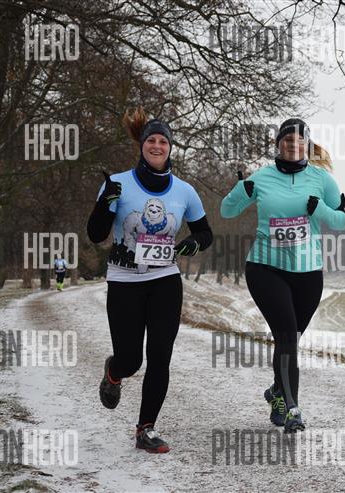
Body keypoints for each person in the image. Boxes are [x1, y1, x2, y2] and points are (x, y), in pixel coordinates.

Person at [87, 108, 213, 453]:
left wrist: (193, 243)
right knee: (131, 360)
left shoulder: (185, 191)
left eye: (163, 141)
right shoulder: (117, 184)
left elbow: (205, 232)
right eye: (151, 140)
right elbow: (96, 234)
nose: (157, 146)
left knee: (160, 357)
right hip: (124, 282)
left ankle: (146, 428)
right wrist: (104, 205)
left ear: (170, 148)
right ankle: (114, 372)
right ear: (141, 146)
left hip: (165, 281)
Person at [220, 118, 345, 432]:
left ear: (307, 145)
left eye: (299, 141)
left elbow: (343, 221)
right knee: (288, 336)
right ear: (278, 144)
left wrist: (320, 210)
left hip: (308, 272)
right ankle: (292, 408)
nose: (293, 146)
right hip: (266, 267)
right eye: (288, 141)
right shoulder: (262, 177)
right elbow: (227, 210)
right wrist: (240, 190)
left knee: (289, 340)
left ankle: (277, 392)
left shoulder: (322, 179)